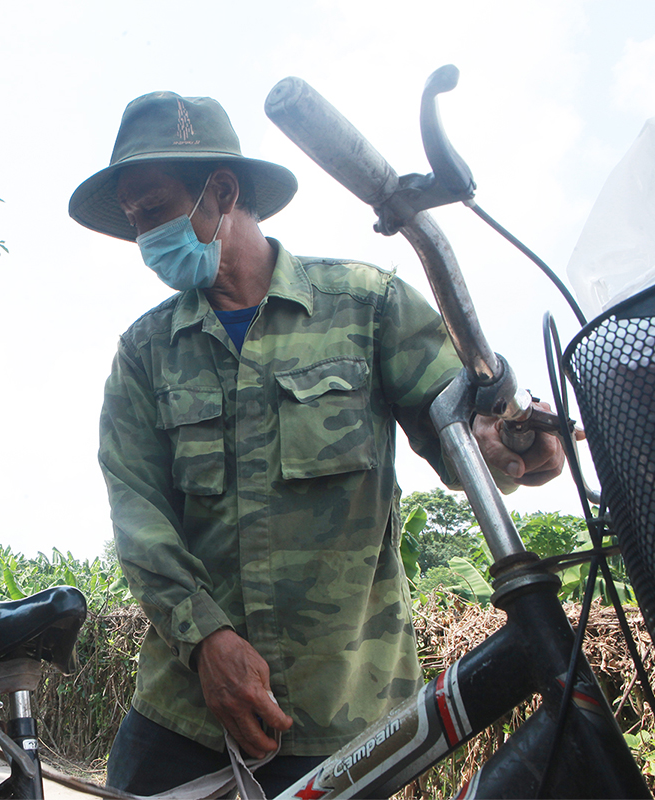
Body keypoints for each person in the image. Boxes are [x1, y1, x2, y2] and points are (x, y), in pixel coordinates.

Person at [68, 92, 568, 796]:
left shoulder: (369, 307)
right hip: (186, 712)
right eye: (133, 222)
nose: (145, 239)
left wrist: (513, 445)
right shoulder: (145, 352)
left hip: (346, 717)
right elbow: (138, 513)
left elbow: (459, 431)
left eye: (154, 211)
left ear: (223, 190)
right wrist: (206, 640)